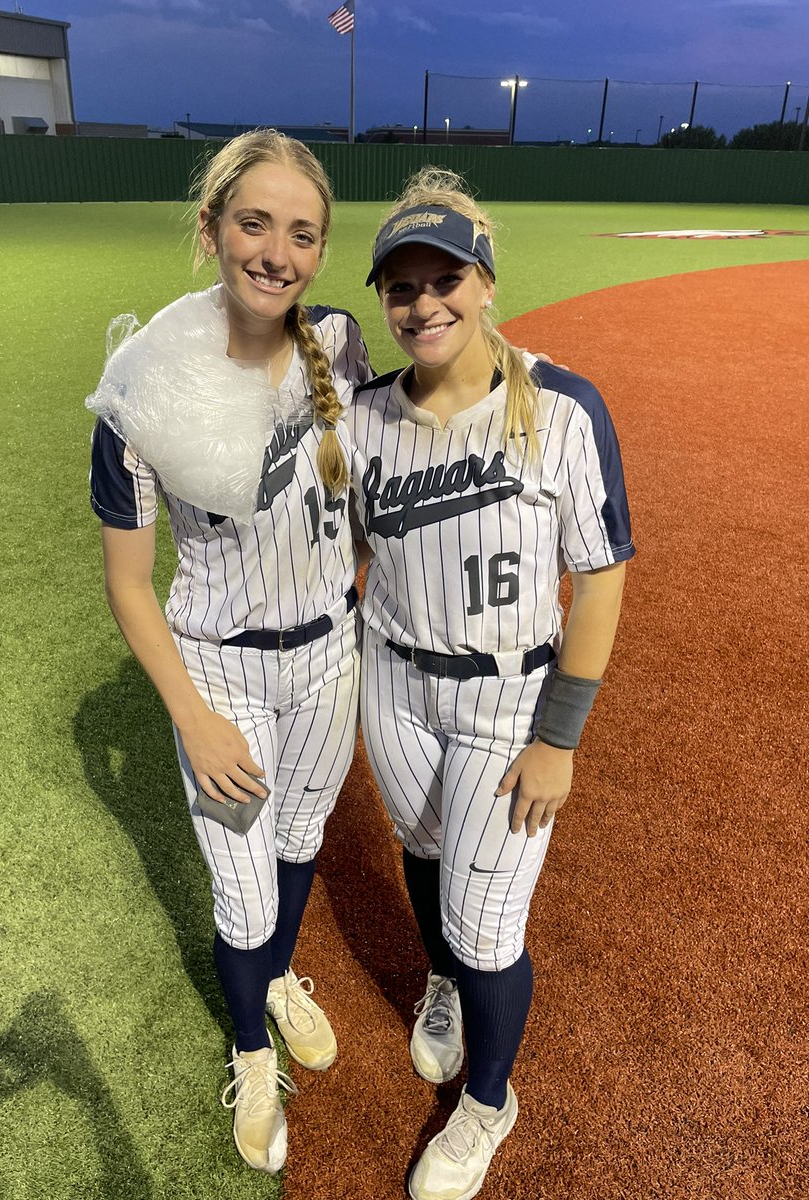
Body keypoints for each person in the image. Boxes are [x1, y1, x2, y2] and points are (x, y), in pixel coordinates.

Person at [87, 129, 371, 1175]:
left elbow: (363, 492)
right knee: (242, 893)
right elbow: (128, 583)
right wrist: (191, 717)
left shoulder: (338, 342)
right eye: (256, 222)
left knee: (298, 839)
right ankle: (251, 1046)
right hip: (219, 662)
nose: (278, 251)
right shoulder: (142, 381)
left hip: (326, 657)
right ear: (211, 230)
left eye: (304, 233)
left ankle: (280, 976)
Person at [347, 167, 634, 1200]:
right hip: (396, 680)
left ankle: (487, 1103)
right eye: (402, 286)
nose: (424, 304)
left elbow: (599, 579)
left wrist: (560, 738)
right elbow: (333, 542)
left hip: (512, 701)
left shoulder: (560, 407)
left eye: (445, 279)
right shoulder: (366, 415)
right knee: (421, 850)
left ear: (485, 282)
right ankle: (441, 985)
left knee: (489, 927)